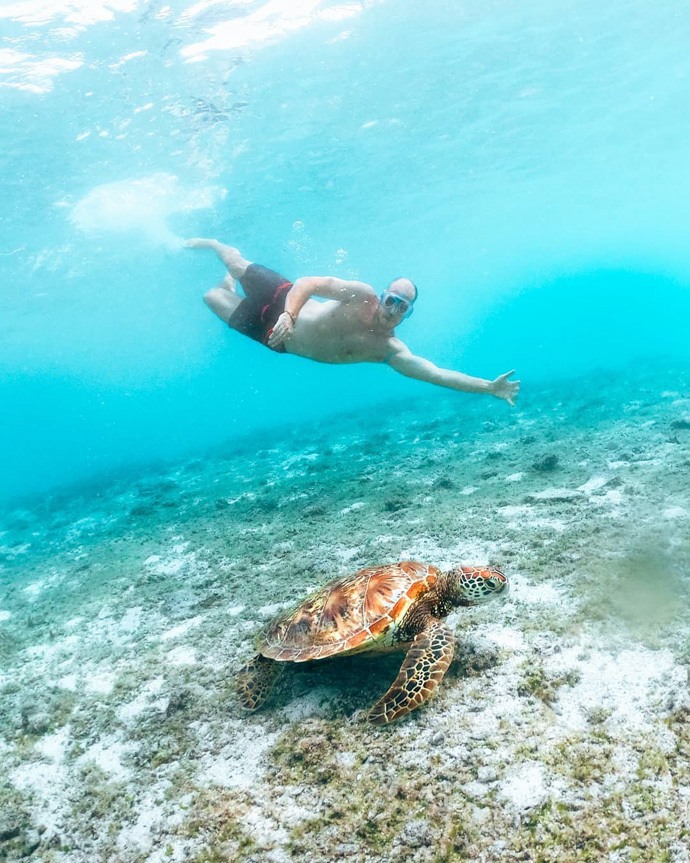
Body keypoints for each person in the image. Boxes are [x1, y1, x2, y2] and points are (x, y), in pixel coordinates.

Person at [186, 238, 520, 406]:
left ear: (407, 313)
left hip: (275, 339)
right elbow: (309, 283)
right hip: (283, 299)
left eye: (402, 307)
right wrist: (289, 314)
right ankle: (215, 244)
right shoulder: (359, 295)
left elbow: (435, 374)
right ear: (382, 295)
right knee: (234, 260)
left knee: (210, 298)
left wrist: (488, 387)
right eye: (391, 300)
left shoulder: (389, 350)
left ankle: (225, 286)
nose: (393, 310)